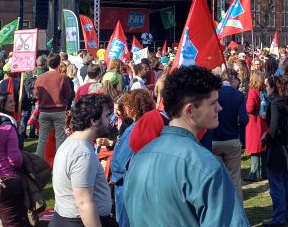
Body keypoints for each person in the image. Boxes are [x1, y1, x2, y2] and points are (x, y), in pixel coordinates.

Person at [124, 66, 249, 226]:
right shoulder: (206, 166)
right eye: (213, 103)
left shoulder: (138, 158)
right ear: (189, 110)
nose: (219, 108)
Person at [51, 94, 115, 227]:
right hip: (80, 222)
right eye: (107, 116)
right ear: (94, 120)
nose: (110, 120)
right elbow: (84, 204)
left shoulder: (72, 143)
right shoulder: (82, 153)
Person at [109, 90, 155, 227]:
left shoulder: (135, 128)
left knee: (125, 221)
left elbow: (120, 161)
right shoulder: (151, 123)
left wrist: (114, 178)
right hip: (143, 181)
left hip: (126, 182)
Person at [261, 75, 288, 226]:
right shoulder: (287, 101)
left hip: (278, 147)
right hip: (286, 146)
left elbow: (275, 125)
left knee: (277, 183)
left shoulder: (277, 103)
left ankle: (279, 216)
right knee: (285, 181)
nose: (265, 88)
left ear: (273, 87)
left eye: (267, 86)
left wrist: (266, 138)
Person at [212, 67, 248, 201]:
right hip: (232, 139)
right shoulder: (238, 95)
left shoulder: (214, 94)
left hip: (214, 139)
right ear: (232, 78)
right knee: (234, 179)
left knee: (217, 178)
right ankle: (236, 212)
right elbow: (244, 119)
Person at [34, 53, 74, 157]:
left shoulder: (40, 78)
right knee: (60, 138)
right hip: (58, 111)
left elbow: (36, 95)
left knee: (42, 139)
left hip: (44, 112)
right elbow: (68, 94)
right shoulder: (62, 78)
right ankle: (59, 163)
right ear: (59, 64)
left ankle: (39, 163)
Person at [245, 70, 268, 182]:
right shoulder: (263, 90)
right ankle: (265, 172)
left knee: (255, 149)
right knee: (262, 147)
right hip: (263, 121)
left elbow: (249, 107)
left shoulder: (252, 91)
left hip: (254, 121)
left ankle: (254, 174)